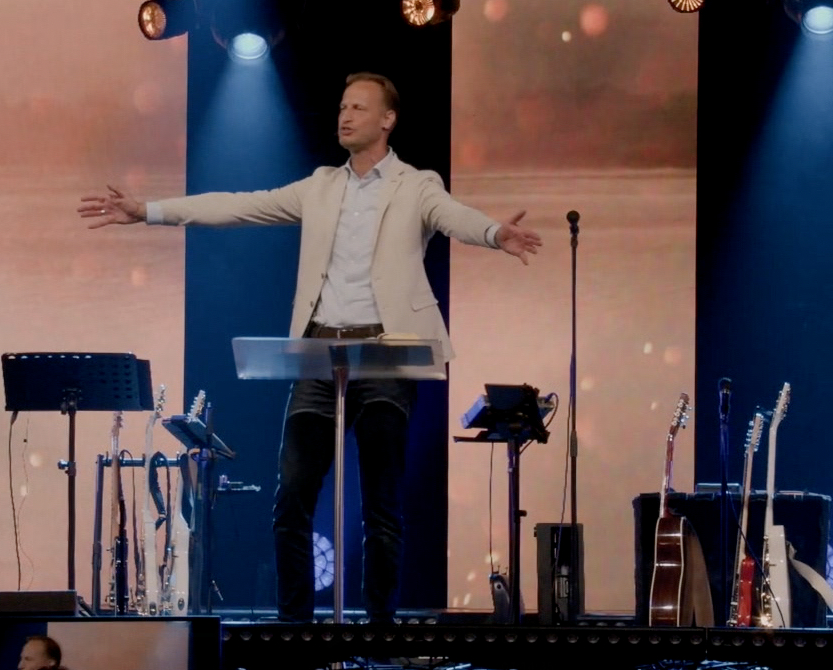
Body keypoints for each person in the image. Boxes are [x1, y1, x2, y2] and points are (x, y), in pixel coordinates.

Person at [77, 72, 541, 624]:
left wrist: (494, 234)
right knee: (292, 496)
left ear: (387, 120)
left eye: (359, 107)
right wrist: (148, 211)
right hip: (320, 351)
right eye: (342, 106)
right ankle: (294, 629)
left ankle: (379, 630)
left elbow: (453, 216)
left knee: (382, 504)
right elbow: (238, 205)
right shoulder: (320, 186)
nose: (345, 115)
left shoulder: (416, 184)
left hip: (387, 351)